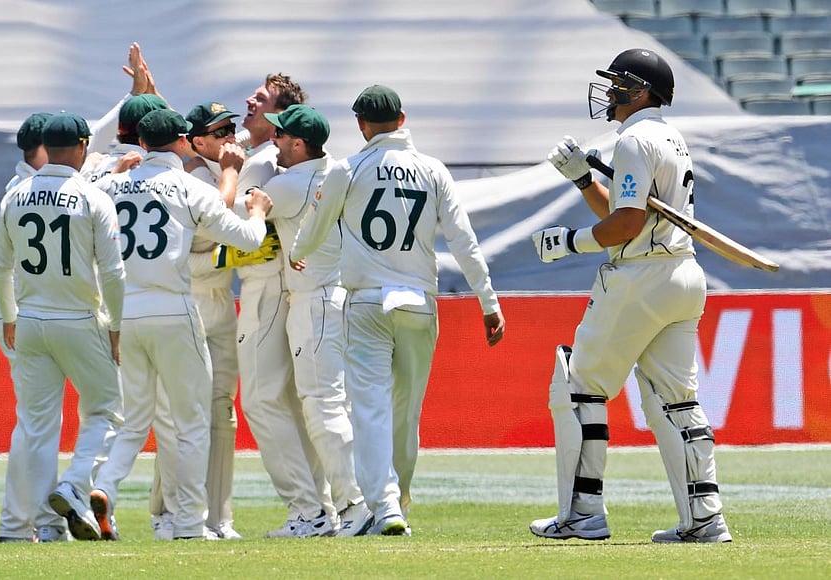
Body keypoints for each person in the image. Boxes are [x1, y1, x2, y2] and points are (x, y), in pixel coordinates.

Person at [528, 48, 732, 544]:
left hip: (640, 276)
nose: (610, 92)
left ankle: (582, 515)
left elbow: (626, 225)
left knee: (579, 386)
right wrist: (583, 179)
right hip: (683, 275)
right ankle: (704, 518)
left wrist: (569, 241)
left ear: (641, 91)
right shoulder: (670, 137)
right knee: (675, 401)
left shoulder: (635, 140)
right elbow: (627, 211)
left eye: (619, 83)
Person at [290, 85, 505, 536]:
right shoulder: (433, 169)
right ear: (403, 118)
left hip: (367, 301)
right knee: (406, 413)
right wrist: (488, 302)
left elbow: (317, 226)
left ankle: (385, 506)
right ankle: (398, 500)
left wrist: (298, 250)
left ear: (361, 125)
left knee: (369, 408)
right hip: (419, 303)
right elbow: (463, 242)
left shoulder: (347, 168)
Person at [0, 43, 158, 543]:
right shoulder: (91, 193)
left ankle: (27, 526)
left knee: (36, 428)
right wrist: (118, 328)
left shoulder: (15, 193)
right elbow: (114, 273)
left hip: (29, 318)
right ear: (81, 148)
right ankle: (75, 484)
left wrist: (14, 314)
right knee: (108, 409)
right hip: (79, 318)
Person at [90, 109, 272, 540]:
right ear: (182, 142)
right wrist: (260, 212)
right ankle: (190, 523)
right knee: (192, 421)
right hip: (174, 308)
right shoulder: (189, 186)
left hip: (125, 313)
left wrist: (114, 171)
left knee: (135, 419)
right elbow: (247, 238)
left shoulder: (110, 186)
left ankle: (102, 487)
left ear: (142, 143)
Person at [252, 104, 374, 536]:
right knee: (337, 405)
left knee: (322, 404)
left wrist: (241, 177)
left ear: (299, 144)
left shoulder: (287, 183)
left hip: (315, 301)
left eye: (281, 137)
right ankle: (361, 504)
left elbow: (234, 220)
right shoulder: (340, 171)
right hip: (343, 295)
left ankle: (355, 504)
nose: (274, 142)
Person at [232, 74, 336, 538]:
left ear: (280, 120)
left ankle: (307, 509)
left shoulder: (264, 164)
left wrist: (230, 173)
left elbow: (237, 225)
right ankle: (321, 507)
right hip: (283, 289)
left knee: (261, 398)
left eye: (263, 97)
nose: (251, 99)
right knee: (290, 404)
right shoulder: (265, 155)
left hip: (267, 286)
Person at [146, 101, 249, 540]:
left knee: (221, 413)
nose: (229, 136)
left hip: (220, 301)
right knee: (178, 413)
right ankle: (166, 512)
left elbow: (255, 135)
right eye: (219, 131)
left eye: (231, 128)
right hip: (188, 302)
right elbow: (205, 237)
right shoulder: (185, 180)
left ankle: (217, 519)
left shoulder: (229, 157)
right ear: (195, 141)